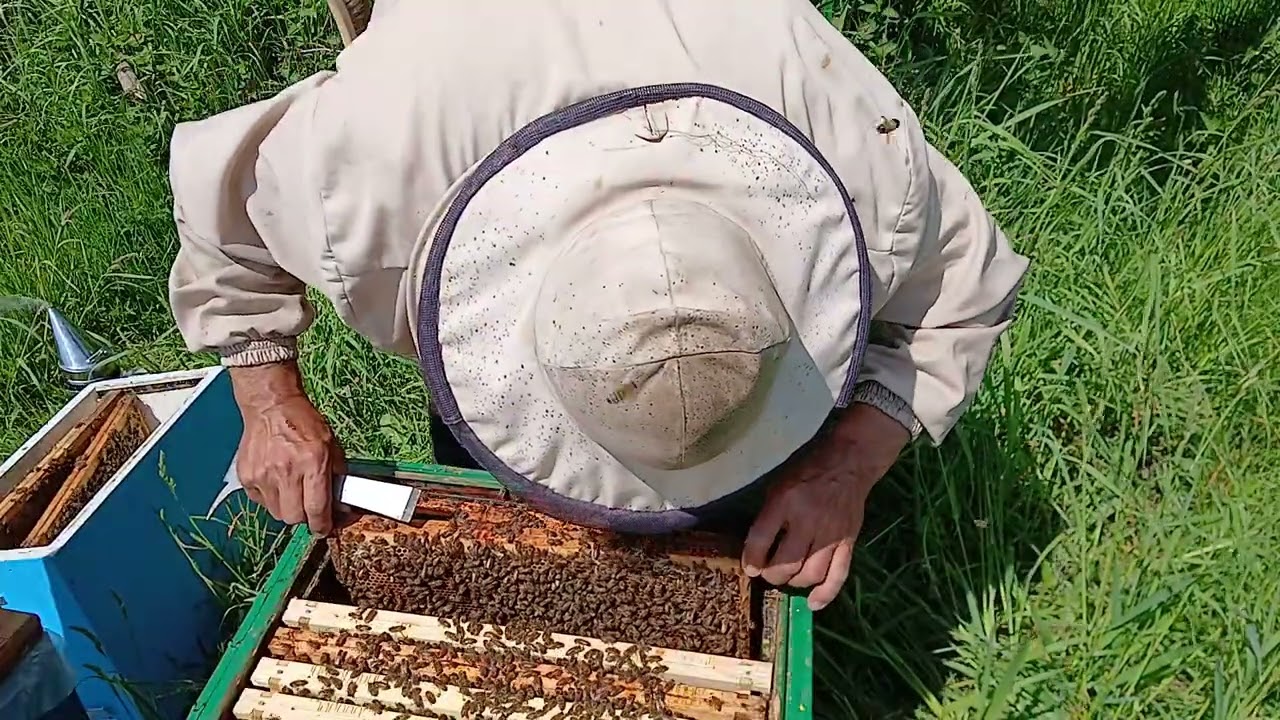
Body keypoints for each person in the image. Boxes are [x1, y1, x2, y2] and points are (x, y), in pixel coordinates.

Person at [167, 0, 1029, 612]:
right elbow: (222, 203)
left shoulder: (857, 151)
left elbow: (966, 287)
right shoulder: (364, 168)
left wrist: (845, 467)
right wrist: (267, 398)